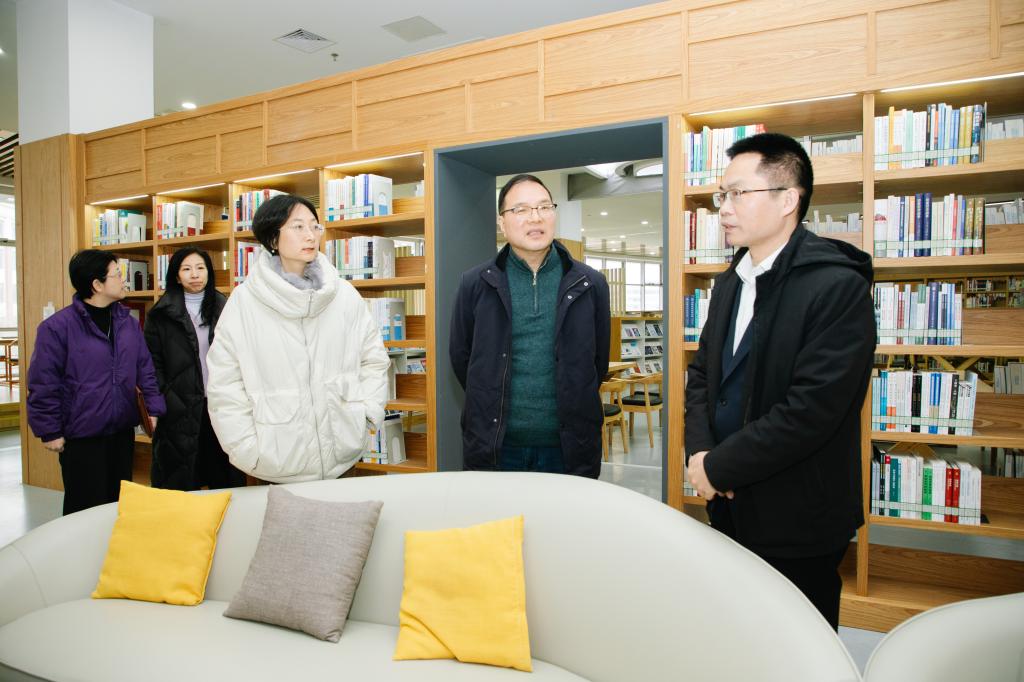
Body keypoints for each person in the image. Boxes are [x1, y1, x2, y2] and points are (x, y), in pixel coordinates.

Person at [684, 133, 875, 630]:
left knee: (798, 643)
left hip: (798, 515)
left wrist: (719, 466)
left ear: (788, 199)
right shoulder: (730, 282)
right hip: (728, 504)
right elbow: (702, 375)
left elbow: (812, 410)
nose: (724, 208)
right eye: (721, 195)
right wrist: (700, 455)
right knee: (737, 634)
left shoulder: (837, 286)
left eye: (737, 194)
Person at [206, 194, 389, 483]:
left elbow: (374, 360)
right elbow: (224, 383)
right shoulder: (244, 303)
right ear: (273, 239)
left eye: (314, 226)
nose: (310, 235)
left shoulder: (344, 296)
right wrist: (246, 449)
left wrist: (366, 416)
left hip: (342, 457)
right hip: (273, 464)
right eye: (298, 226)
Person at [450, 173, 610, 477]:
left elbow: (597, 363)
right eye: (521, 209)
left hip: (569, 447)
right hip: (496, 446)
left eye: (544, 207)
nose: (535, 218)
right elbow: (462, 358)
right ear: (502, 222)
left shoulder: (591, 283)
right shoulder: (475, 283)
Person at [27, 249, 166, 515]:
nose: (124, 279)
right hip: (81, 435)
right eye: (117, 274)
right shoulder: (57, 328)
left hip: (121, 432)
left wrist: (153, 409)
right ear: (97, 285)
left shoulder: (128, 323)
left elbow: (145, 369)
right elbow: (43, 382)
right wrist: (49, 430)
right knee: (84, 510)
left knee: (117, 506)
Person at [145, 247, 244, 490]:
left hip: (221, 405)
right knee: (182, 481)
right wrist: (164, 397)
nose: (195, 274)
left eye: (201, 268)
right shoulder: (161, 314)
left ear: (209, 272)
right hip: (179, 408)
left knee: (225, 480)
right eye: (186, 269)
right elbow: (153, 362)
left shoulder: (227, 308)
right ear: (177, 276)